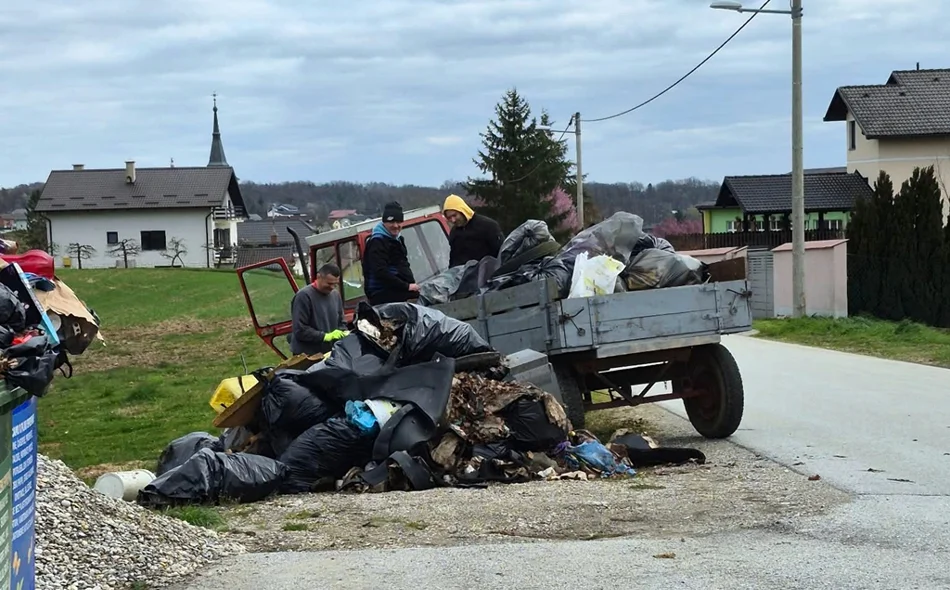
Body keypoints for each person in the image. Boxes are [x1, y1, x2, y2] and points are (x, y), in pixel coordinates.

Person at [362, 201, 418, 305]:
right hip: (382, 293)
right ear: (384, 223)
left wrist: (411, 284)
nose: (396, 226)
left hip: (398, 289)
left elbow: (403, 265)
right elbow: (380, 272)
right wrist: (407, 286)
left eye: (399, 222)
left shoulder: (398, 239)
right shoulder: (377, 242)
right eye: (391, 222)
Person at [289, 263, 348, 355]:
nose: (332, 287)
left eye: (335, 284)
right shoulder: (303, 296)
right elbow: (300, 329)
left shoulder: (335, 295)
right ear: (318, 277)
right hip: (307, 355)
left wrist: (343, 332)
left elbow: (341, 321)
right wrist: (324, 336)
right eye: (329, 283)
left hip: (329, 353)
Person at [442, 194, 504, 268]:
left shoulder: (488, 226)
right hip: (464, 273)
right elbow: (453, 260)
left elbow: (502, 253)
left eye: (454, 215)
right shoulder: (454, 233)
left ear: (462, 211)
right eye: (449, 217)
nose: (453, 220)